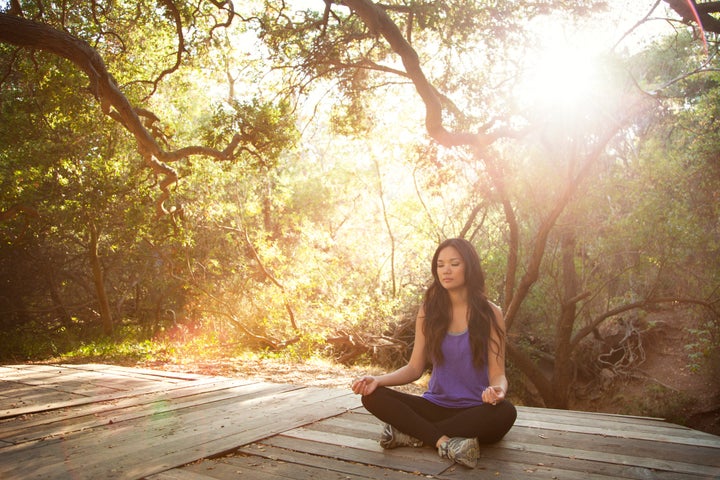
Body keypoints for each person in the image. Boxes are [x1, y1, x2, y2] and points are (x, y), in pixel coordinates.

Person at [351, 238, 517, 468]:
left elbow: (498, 373)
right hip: (434, 407)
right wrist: (377, 380)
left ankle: (414, 434)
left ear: (469, 266)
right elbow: (414, 369)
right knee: (373, 396)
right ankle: (444, 441)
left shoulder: (491, 313)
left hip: (474, 409)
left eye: (454, 263)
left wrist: (499, 390)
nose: (446, 270)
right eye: (440, 265)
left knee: (506, 412)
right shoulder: (429, 310)